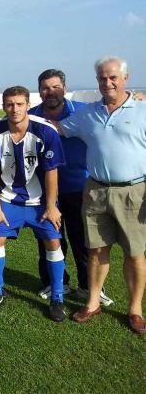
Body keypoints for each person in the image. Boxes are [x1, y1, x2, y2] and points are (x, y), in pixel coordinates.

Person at [57, 57, 144, 334]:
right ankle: (93, 302)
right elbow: (58, 128)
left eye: (113, 77)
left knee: (136, 254)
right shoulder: (87, 114)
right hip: (95, 190)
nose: (107, 83)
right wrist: (22, 118)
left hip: (134, 191)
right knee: (96, 250)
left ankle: (135, 309)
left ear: (125, 78)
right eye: (102, 78)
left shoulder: (142, 110)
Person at [0, 86, 67, 322]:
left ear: (28, 105)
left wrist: (51, 206)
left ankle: (57, 297)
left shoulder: (45, 132)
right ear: (3, 107)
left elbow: (51, 172)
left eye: (19, 104)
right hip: (8, 199)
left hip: (40, 201)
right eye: (9, 104)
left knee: (53, 241)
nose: (14, 109)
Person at [30, 69, 113, 306]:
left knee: (84, 240)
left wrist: (138, 98)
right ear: (40, 91)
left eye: (55, 87)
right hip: (45, 191)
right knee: (49, 238)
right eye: (45, 88)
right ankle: (55, 282)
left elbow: (111, 109)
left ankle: (89, 287)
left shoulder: (83, 112)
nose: (50, 92)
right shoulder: (31, 116)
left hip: (80, 187)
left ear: (64, 88)